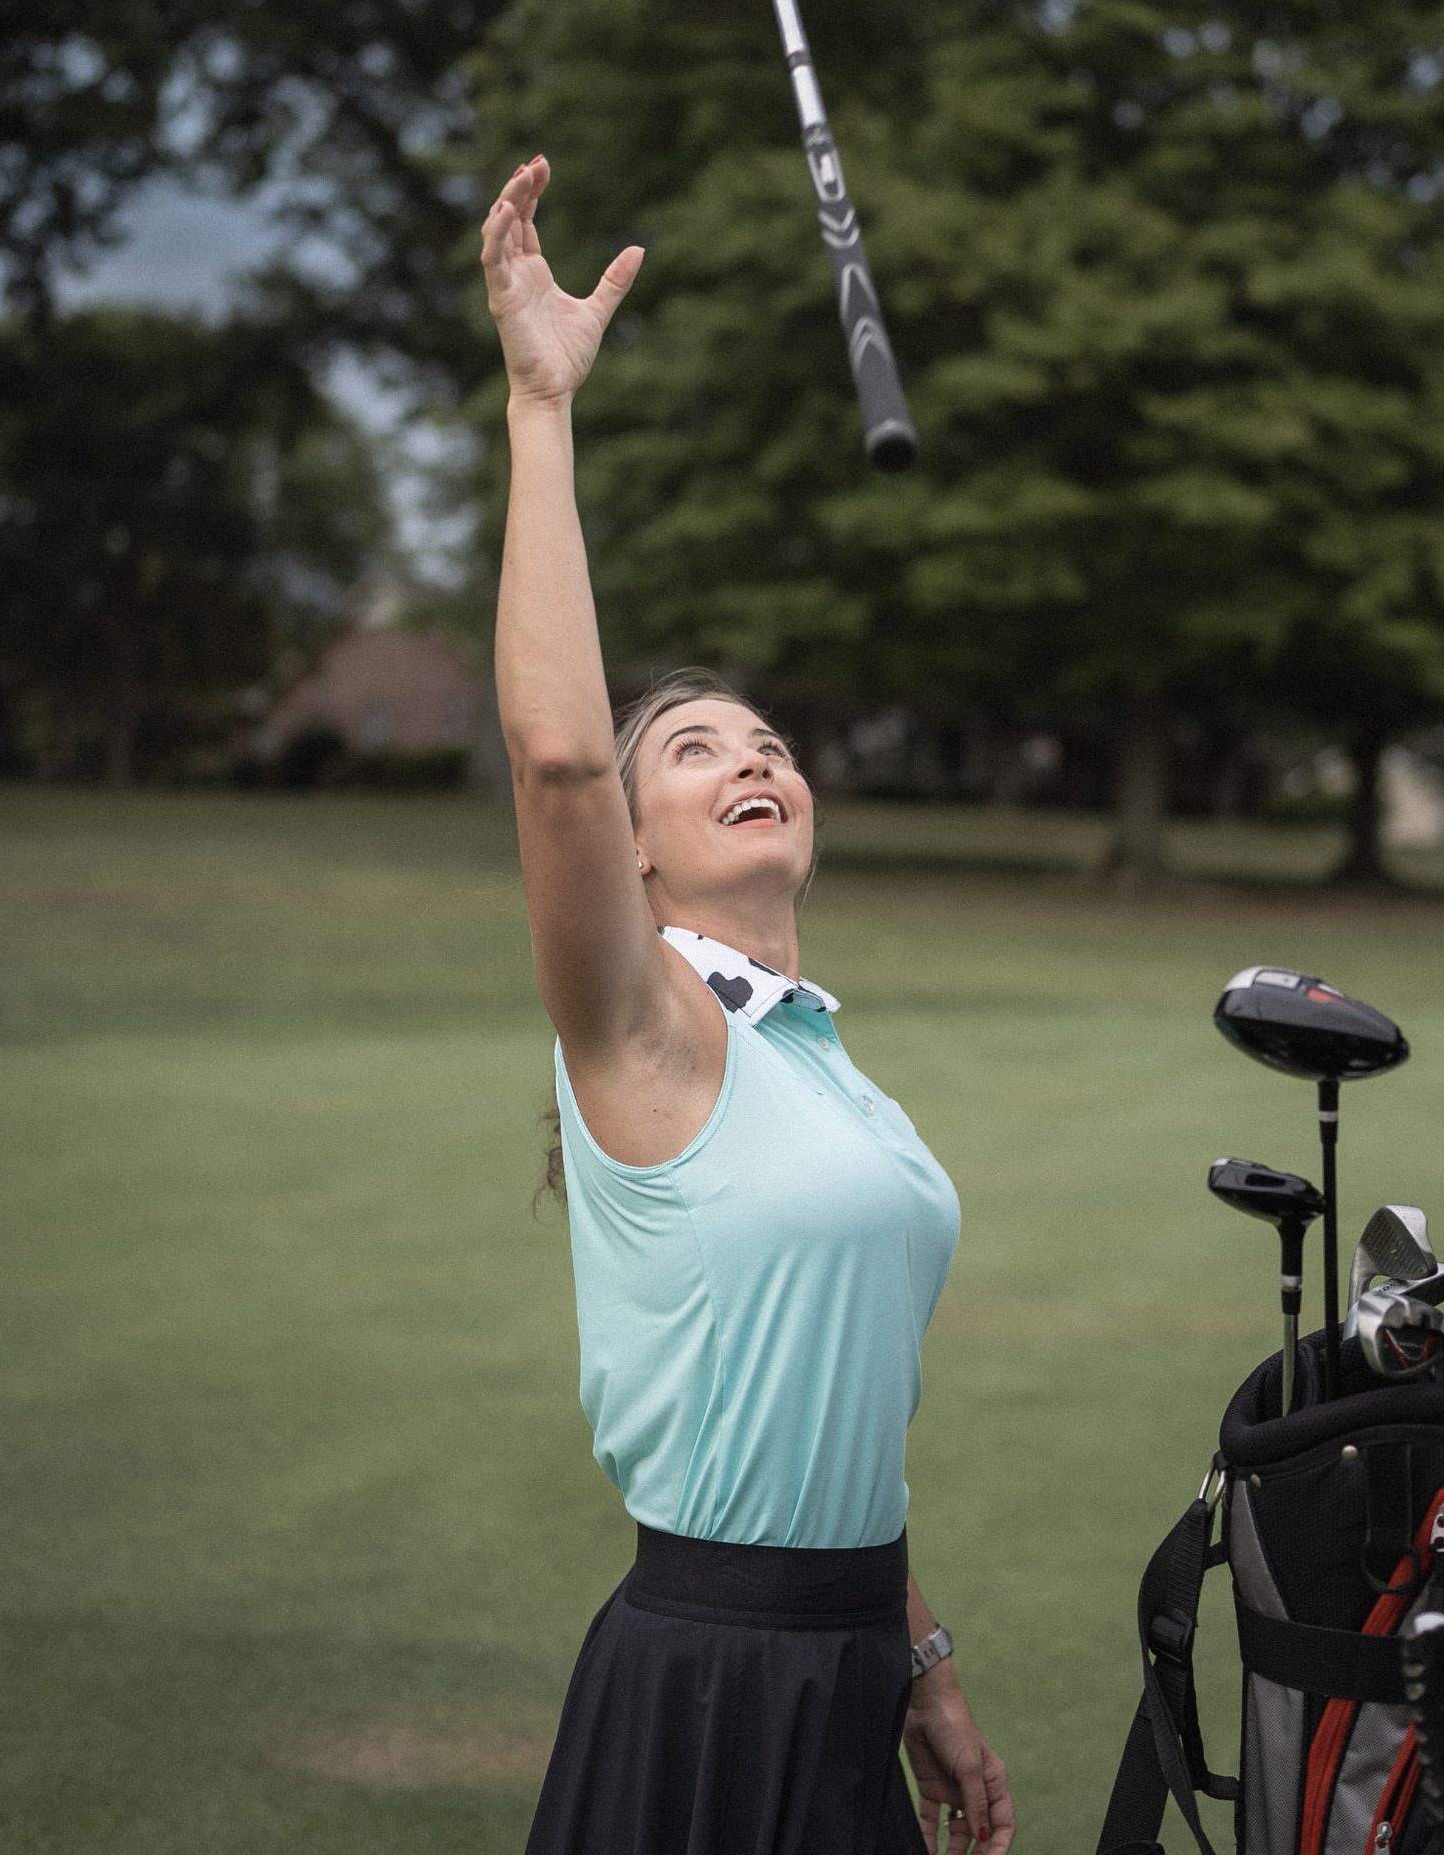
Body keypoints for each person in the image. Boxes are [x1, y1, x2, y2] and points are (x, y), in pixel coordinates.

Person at [483, 155, 1016, 1855]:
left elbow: (837, 1398)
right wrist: (541, 408)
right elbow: (559, 754)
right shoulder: (646, 1032)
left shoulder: (830, 1063)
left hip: (851, 1661)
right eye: (695, 751)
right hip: (704, 1678)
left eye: (767, 738)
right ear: (632, 860)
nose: (755, 754)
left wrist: (918, 1652)